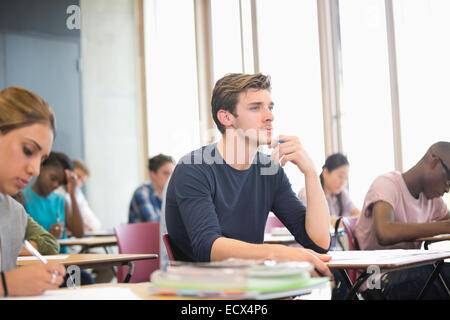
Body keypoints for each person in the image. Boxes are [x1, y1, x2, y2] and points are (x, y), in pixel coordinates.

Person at [165, 73, 333, 278]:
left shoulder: (269, 170)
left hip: (252, 283)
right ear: (226, 117)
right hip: (203, 288)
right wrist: (277, 254)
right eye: (255, 107)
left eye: (270, 107)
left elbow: (318, 243)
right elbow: (207, 247)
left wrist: (311, 173)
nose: (270, 115)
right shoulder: (194, 168)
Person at [354, 141, 450, 299]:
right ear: (434, 163)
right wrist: (444, 227)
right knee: (436, 275)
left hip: (409, 273)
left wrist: (445, 226)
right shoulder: (387, 184)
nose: (447, 189)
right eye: (448, 180)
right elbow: (385, 232)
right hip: (374, 278)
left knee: (436, 274)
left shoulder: (433, 200)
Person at [0, 86, 66, 297]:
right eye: (28, 151)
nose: (35, 170)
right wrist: (6, 284)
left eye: (42, 159)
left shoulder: (14, 213)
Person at [22, 151, 85, 254]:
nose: (56, 185)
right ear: (41, 168)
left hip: (64, 262)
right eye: (53, 178)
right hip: (40, 264)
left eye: (60, 183)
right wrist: (49, 236)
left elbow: (79, 233)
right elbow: (19, 242)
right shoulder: (23, 198)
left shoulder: (60, 200)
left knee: (102, 269)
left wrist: (73, 194)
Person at [298, 153, 360, 229]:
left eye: (346, 178)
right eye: (340, 176)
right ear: (325, 172)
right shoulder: (307, 193)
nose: (343, 182)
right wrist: (346, 221)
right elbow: (317, 223)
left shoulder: (342, 193)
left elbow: (357, 215)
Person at [55, 159, 102, 232]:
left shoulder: (78, 194)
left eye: (82, 181)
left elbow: (95, 224)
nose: (78, 182)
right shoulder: (55, 192)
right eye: (78, 176)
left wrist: (85, 226)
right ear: (67, 173)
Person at [128, 154, 175, 223]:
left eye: (172, 174)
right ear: (152, 174)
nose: (170, 178)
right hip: (143, 233)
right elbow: (155, 222)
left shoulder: (171, 193)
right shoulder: (142, 192)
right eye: (166, 173)